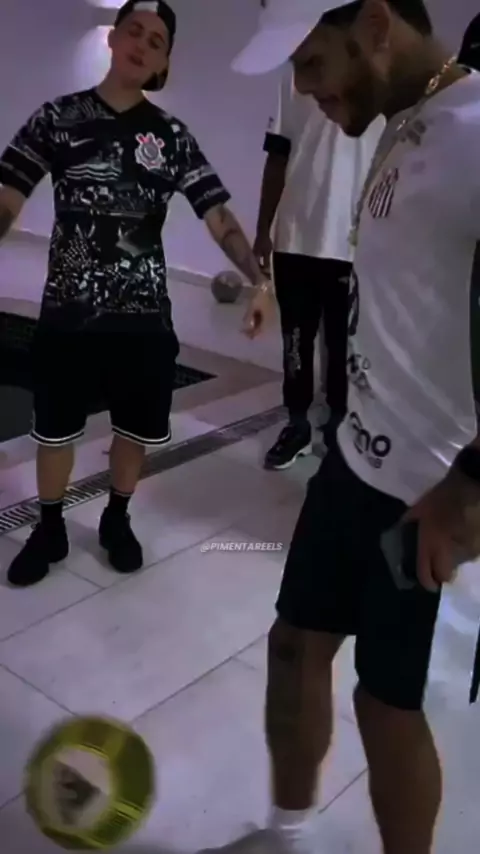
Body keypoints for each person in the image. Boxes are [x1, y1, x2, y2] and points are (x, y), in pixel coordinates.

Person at [231, 0, 480, 852]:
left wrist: (471, 484)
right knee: (294, 647)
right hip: (353, 458)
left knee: (387, 704)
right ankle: (285, 836)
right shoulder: (405, 124)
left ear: (376, 25)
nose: (304, 89)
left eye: (313, 62)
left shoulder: (474, 132)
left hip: (428, 492)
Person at [0, 0, 273, 588]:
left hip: (143, 315)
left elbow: (218, 216)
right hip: (68, 311)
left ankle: (117, 518)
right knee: (55, 428)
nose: (142, 45)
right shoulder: (58, 118)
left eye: (156, 41)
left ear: (163, 62)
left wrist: (260, 278)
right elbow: (8, 197)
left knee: (135, 429)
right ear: (113, 38)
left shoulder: (171, 137)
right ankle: (49, 527)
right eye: (134, 31)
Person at [255, 67, 383, 470]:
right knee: (295, 343)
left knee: (344, 346)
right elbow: (278, 153)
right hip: (296, 237)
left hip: (353, 242)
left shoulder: (379, 76)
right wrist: (263, 229)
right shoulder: (295, 75)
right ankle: (296, 425)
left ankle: (339, 428)